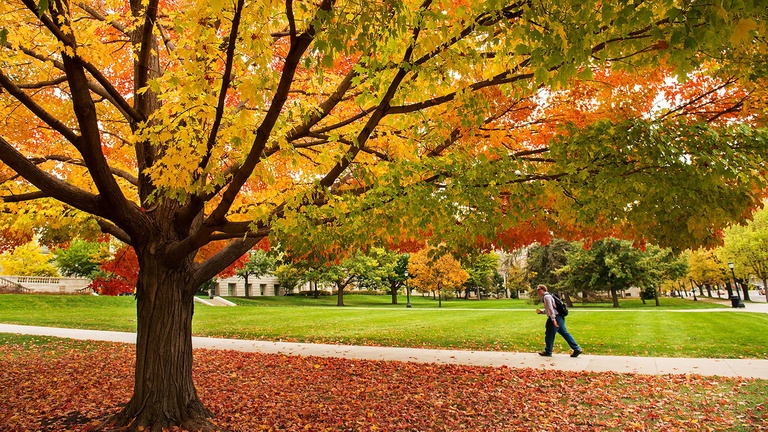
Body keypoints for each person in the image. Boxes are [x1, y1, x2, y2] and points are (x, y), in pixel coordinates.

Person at [535, 284, 582, 357]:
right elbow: (551, 309)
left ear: (543, 290)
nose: (537, 291)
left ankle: (548, 351)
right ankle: (576, 349)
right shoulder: (549, 296)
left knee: (549, 334)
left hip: (555, 318)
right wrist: (542, 312)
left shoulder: (546, 297)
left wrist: (553, 320)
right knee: (565, 333)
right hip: (559, 317)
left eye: (538, 290)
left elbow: (551, 309)